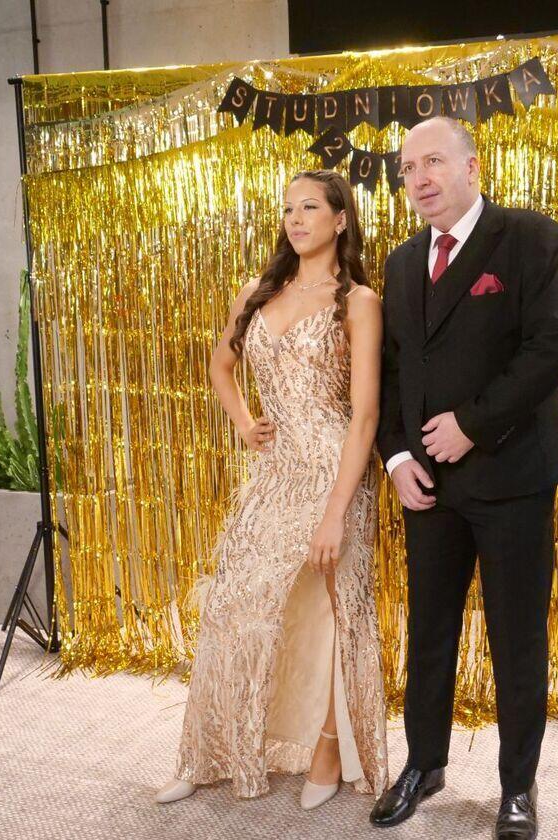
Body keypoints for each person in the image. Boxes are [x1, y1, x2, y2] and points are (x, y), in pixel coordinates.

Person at [370, 117, 558, 840]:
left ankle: (517, 786)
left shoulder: (528, 238)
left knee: (516, 640)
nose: (419, 179)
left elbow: (555, 344)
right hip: (427, 486)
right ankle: (423, 764)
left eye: (432, 162)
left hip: (512, 477)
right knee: (428, 632)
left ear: (472, 166)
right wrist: (396, 457)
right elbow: (392, 372)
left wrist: (473, 424)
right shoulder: (402, 263)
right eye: (407, 169)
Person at [155, 169, 388, 811]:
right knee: (234, 604)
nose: (296, 219)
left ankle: (329, 749)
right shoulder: (258, 291)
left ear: (340, 219)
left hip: (336, 472)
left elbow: (365, 417)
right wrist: (242, 421)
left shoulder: (359, 301)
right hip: (276, 471)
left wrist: (336, 514)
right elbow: (220, 365)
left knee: (335, 612)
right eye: (288, 209)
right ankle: (212, 749)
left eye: (309, 207)